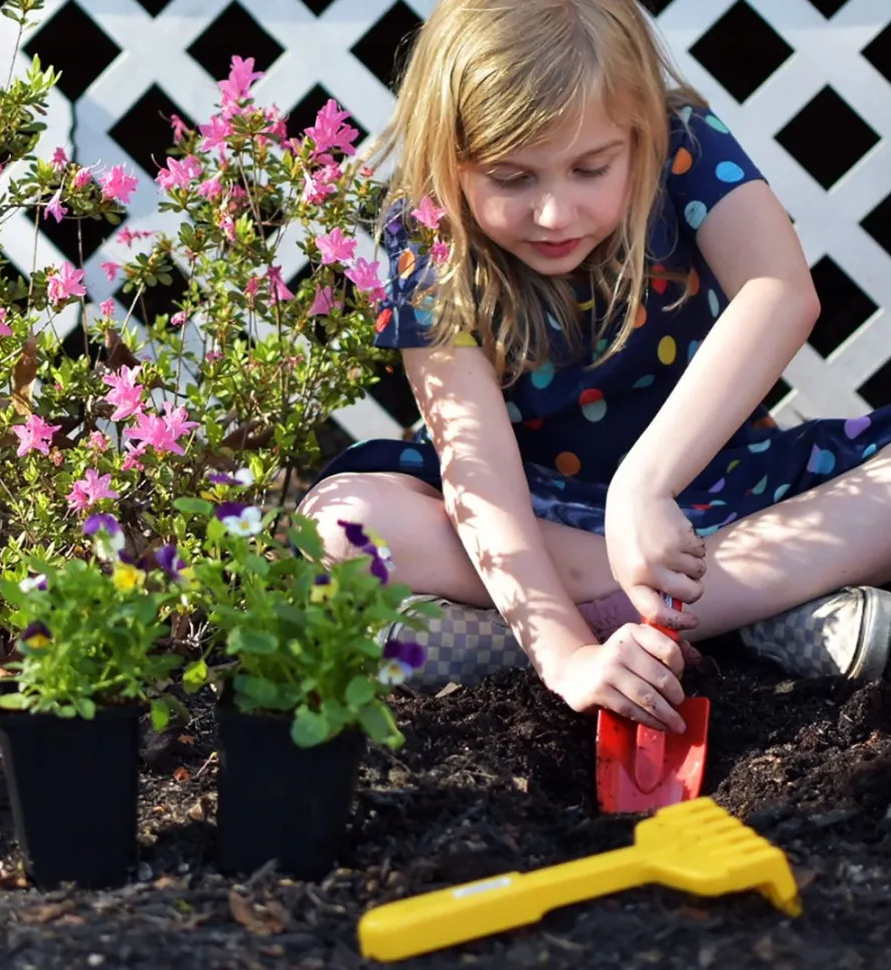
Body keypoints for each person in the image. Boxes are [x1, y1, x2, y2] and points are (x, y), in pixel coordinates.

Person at [297, 0, 891, 734]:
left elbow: (781, 292)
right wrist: (568, 659)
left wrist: (645, 487)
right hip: (540, 518)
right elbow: (479, 475)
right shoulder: (427, 231)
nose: (554, 212)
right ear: (449, 161)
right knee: (342, 524)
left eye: (590, 168)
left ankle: (499, 644)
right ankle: (760, 618)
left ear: (636, 132)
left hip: (716, 494)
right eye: (512, 178)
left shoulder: (682, 144)